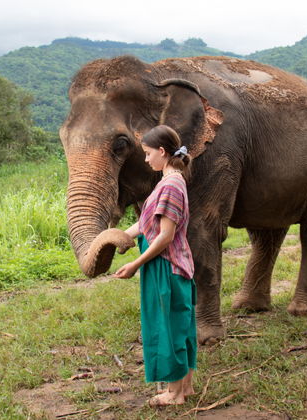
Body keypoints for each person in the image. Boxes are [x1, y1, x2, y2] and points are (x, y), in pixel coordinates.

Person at [114, 125, 197, 407]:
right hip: (170, 266)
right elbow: (147, 223)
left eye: (148, 153)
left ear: (162, 152)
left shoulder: (172, 185)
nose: (146, 159)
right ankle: (185, 388)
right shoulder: (168, 182)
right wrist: (122, 236)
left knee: (169, 329)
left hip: (166, 267)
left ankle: (174, 394)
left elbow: (165, 236)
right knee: (180, 327)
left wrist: (135, 264)